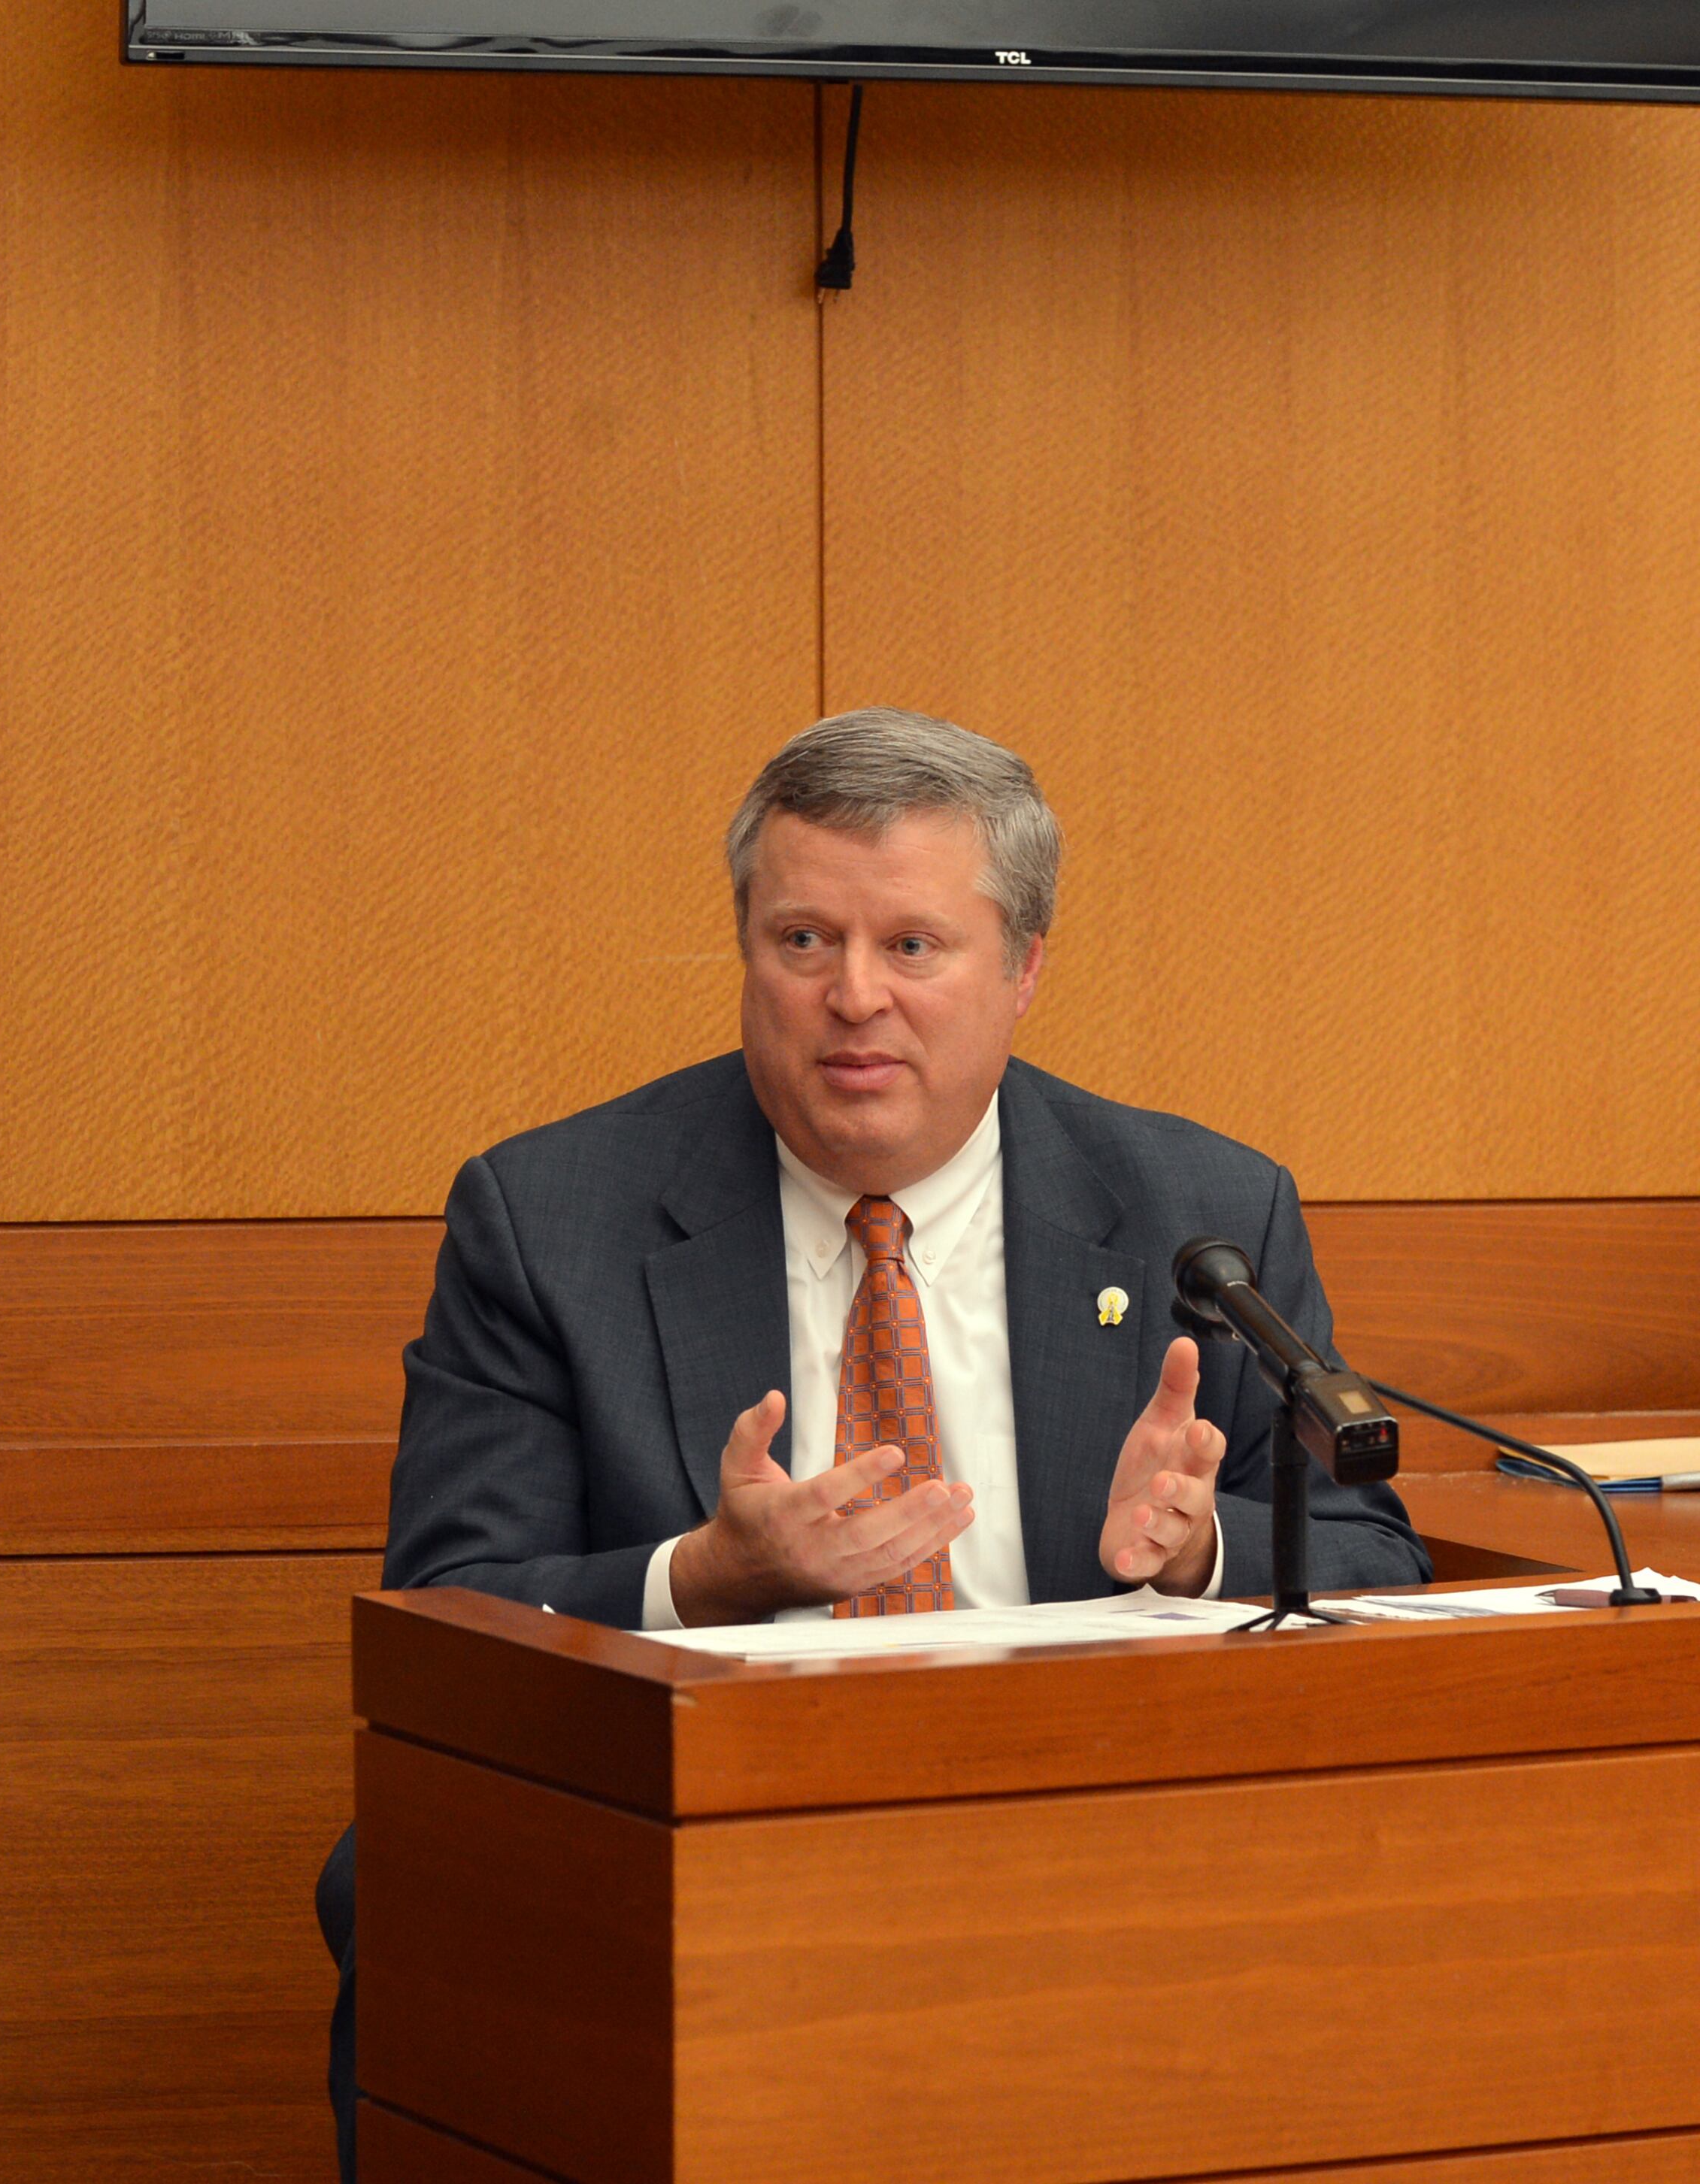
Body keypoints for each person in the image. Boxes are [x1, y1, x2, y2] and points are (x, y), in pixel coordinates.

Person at [316, 708, 1426, 2175]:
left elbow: (1379, 1562)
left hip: (1095, 1853)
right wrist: (702, 1578)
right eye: (802, 942)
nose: (854, 998)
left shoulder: (1201, 1215)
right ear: (746, 954)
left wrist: (1205, 1552)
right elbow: (445, 1609)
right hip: (694, 1857)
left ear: (1023, 967)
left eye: (913, 946)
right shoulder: (552, 1220)